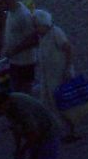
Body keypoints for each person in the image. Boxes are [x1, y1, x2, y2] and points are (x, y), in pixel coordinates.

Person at [31, 9, 80, 142]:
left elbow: (68, 48)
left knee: (61, 104)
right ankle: (56, 129)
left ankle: (72, 131)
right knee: (47, 103)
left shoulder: (55, 33)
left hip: (59, 76)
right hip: (48, 77)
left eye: (36, 25)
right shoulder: (44, 36)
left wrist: (68, 68)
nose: (35, 29)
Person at [0, 0, 38, 95]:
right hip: (15, 61)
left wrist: (13, 51)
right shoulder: (11, 12)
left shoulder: (23, 16)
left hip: (25, 62)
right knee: (16, 90)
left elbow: (34, 39)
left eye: (2, 2)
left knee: (23, 92)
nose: (0, 6)